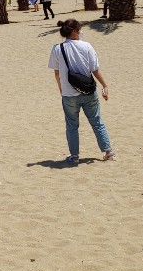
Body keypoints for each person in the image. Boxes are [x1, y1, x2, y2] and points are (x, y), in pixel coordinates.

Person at [48, 19, 115, 164]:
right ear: (74, 31)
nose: (80, 33)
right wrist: (104, 85)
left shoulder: (57, 49)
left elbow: (56, 72)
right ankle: (108, 152)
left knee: (72, 126)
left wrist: (61, 88)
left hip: (68, 94)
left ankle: (74, 156)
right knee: (97, 121)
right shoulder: (86, 46)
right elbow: (94, 69)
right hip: (88, 91)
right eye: (79, 30)